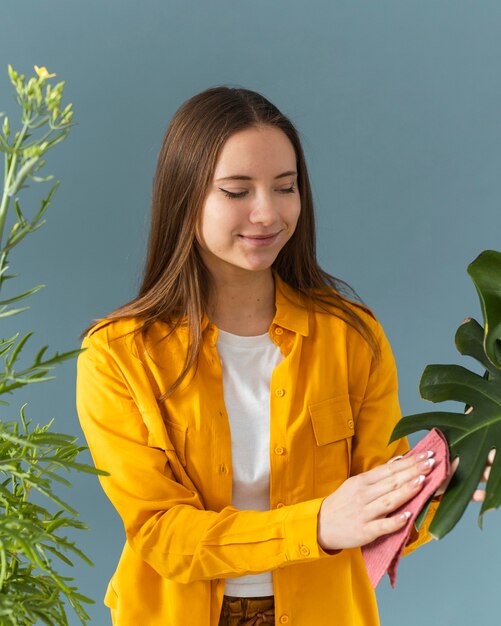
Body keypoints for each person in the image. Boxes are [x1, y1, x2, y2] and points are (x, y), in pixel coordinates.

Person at [75, 87, 483, 626]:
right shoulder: (117, 354)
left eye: (285, 187)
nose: (267, 213)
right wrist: (315, 525)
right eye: (236, 191)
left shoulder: (351, 337)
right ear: (185, 197)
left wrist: (443, 480)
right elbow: (160, 534)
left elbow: (375, 517)